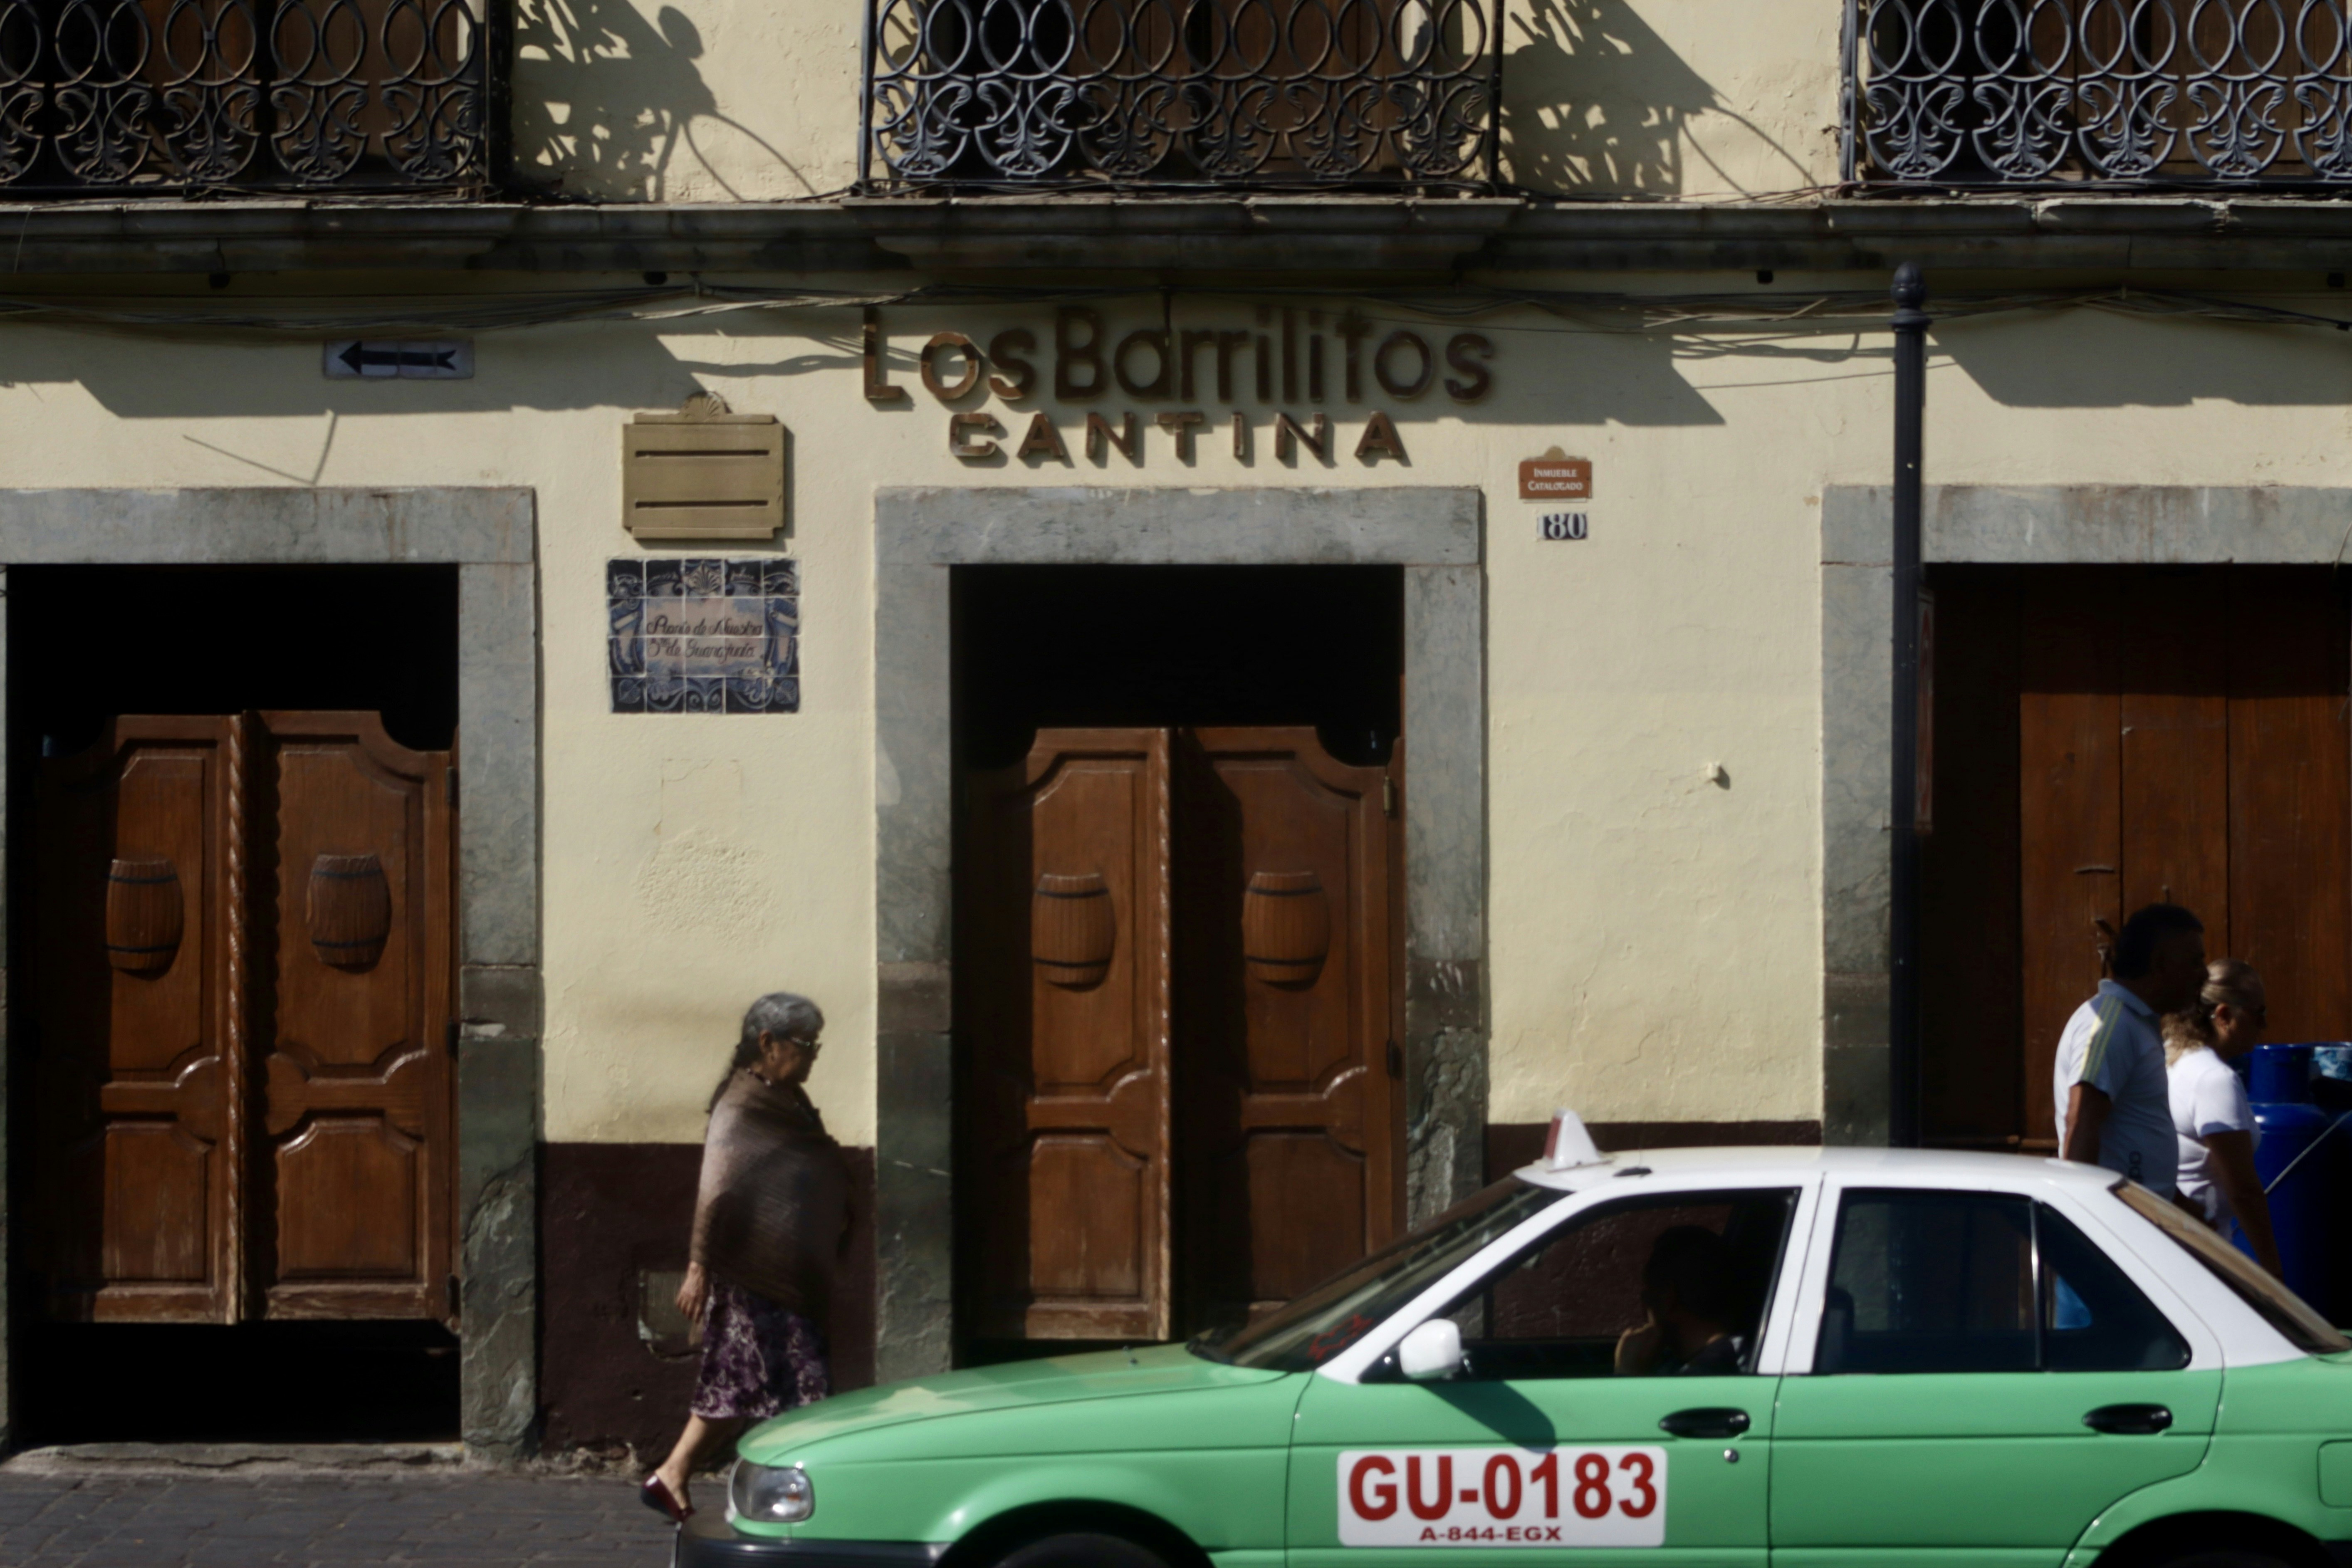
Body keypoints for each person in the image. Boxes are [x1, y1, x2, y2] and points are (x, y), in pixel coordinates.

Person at [642, 992, 848, 1523]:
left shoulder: (788, 1098)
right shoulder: (741, 1104)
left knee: (748, 1385)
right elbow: (717, 1187)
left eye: (816, 1043)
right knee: (791, 1386)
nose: (813, 1054)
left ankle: (678, 1475)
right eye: (806, 1043)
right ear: (767, 1042)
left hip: (786, 1271)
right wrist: (698, 1267)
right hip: (752, 1275)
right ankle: (792, 1498)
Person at [2055, 903, 2207, 1195]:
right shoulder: (2111, 1026)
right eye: (2194, 962)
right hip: (2115, 1217)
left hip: (2142, 1212)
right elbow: (2081, 1121)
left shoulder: (2136, 1023)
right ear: (2159, 964)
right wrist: (2087, 1210)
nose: (2204, 974)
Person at [2164, 960, 2285, 1278]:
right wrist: (2272, 1273)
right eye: (2258, 1013)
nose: (2264, 1025)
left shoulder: (2172, 1057)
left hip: (2173, 1244)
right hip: (2200, 1254)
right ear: (2224, 1016)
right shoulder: (2213, 1079)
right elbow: (2243, 1189)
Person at [1614, 1226, 1742, 1376]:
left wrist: (1627, 1372)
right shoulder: (1737, 1356)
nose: (1644, 1303)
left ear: (1668, 1297)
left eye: (1648, 1292)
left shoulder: (1704, 1375)